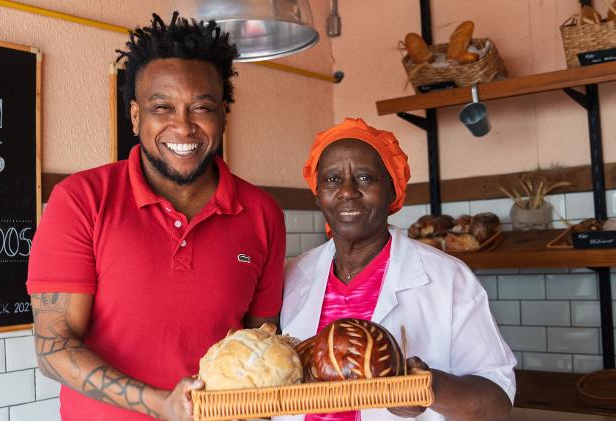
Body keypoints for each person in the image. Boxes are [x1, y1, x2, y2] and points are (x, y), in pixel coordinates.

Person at [26, 13, 285, 421]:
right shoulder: (81, 201)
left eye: (201, 107)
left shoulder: (261, 214)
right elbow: (53, 347)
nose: (182, 126)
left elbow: (262, 348)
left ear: (222, 114)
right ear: (135, 117)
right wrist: (161, 404)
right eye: (162, 107)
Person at [278, 118, 516, 421]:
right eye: (332, 180)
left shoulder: (447, 278)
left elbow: (497, 399)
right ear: (318, 195)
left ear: (393, 191)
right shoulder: (291, 275)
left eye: (364, 178)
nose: (347, 192)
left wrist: (430, 388)